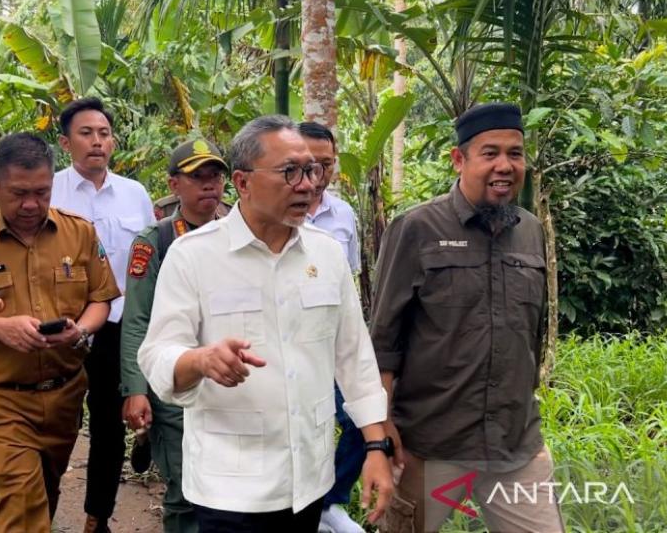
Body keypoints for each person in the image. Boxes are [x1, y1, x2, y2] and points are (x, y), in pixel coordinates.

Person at [137, 115, 394, 532]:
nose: (308, 185)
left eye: (312, 170)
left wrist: (376, 445)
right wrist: (201, 360)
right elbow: (157, 354)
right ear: (243, 182)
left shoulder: (327, 255)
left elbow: (354, 357)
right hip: (230, 485)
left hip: (308, 479)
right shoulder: (194, 256)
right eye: (290, 171)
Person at [370, 103, 563, 532]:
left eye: (515, 154)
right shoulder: (417, 228)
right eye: (490, 153)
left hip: (514, 445)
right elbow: (384, 342)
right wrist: (380, 433)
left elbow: (532, 337)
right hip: (429, 443)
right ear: (459, 159)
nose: (504, 165)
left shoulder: (531, 231)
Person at [0, 133, 120, 533]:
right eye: (18, 193)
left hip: (65, 394)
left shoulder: (79, 233)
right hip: (1, 399)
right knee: (20, 501)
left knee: (44, 493)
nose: (31, 204)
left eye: (41, 192)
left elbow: (101, 299)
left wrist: (80, 330)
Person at [50, 97, 155, 533]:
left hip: (117, 327)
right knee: (56, 424)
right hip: (61, 330)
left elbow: (147, 260)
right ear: (65, 142)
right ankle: (40, 513)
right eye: (86, 133)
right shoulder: (49, 191)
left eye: (104, 133)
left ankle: (97, 518)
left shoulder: (134, 194)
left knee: (109, 428)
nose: (97, 141)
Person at [121, 139, 229, 533]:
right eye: (197, 177)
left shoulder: (241, 231)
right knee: (185, 493)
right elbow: (137, 319)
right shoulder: (157, 241)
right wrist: (136, 389)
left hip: (231, 382)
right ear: (173, 185)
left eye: (215, 176)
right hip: (177, 383)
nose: (209, 185)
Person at [297, 122, 364, 533]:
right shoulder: (268, 211)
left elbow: (348, 283)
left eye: (326, 163)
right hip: (291, 344)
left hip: (334, 342)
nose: (318, 174)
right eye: (309, 164)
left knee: (359, 416)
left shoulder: (343, 215)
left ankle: (331, 501)